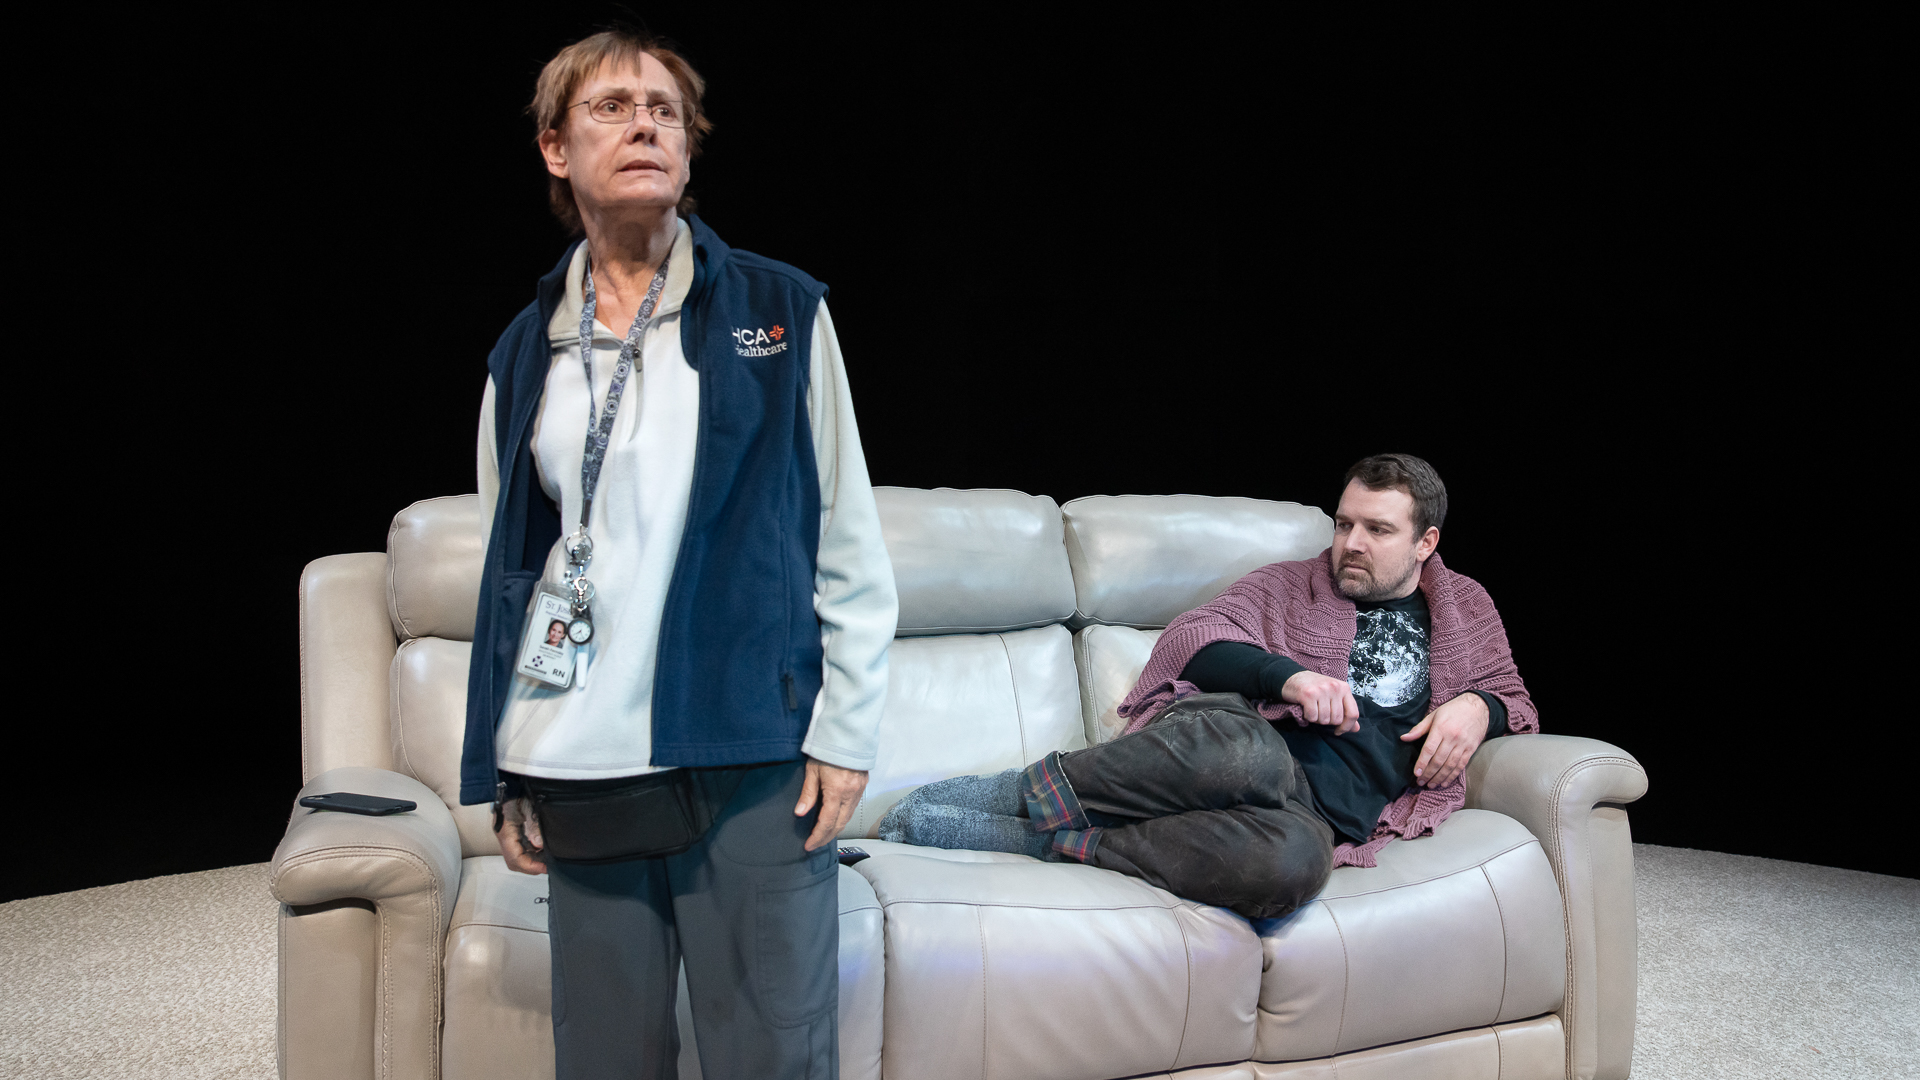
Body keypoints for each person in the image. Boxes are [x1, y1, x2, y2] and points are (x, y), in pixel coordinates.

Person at [457, 30, 897, 1080]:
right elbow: (509, 580)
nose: (645, 125)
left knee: (775, 1054)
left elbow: (845, 534)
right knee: (608, 1058)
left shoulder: (780, 312)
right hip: (579, 761)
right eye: (611, 108)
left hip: (751, 756)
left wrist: (844, 732)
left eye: (665, 111)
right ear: (556, 148)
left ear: (689, 148)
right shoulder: (524, 353)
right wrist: (503, 767)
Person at [881, 454, 1536, 919]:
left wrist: (1478, 708)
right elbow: (1191, 640)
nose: (1352, 543)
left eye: (1378, 530)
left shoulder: (1464, 609)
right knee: (1247, 755)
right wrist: (1289, 677)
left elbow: (1512, 697)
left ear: (1425, 542)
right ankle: (1019, 791)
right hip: (1242, 748)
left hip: (1315, 819)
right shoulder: (1291, 584)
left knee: (1292, 870)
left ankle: (1046, 842)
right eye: (1344, 524)